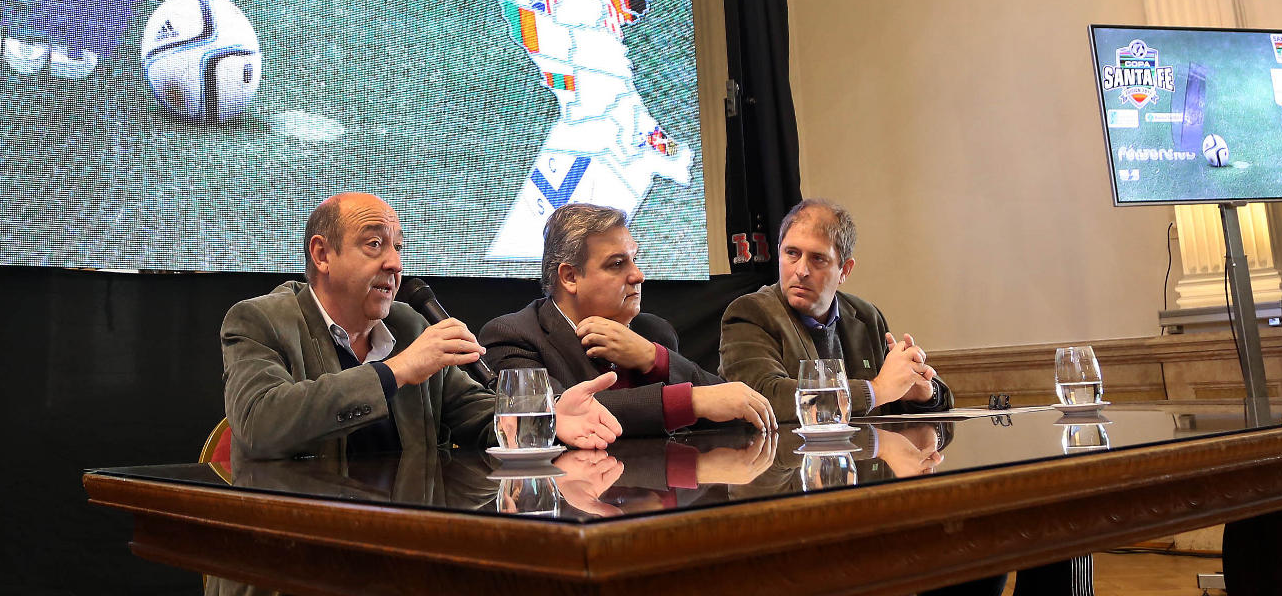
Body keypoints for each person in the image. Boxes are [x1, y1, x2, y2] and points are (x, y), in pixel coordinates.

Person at [220, 192, 623, 463]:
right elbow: (260, 425)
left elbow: (476, 414)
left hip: (405, 534)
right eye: (374, 244)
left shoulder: (408, 324)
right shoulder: (261, 320)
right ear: (322, 254)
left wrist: (547, 419)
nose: (394, 263)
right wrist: (396, 370)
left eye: (398, 247)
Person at [481, 202, 774, 435]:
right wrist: (689, 400)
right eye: (617, 264)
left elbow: (728, 408)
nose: (638, 275)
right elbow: (553, 415)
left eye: (635, 259)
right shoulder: (514, 335)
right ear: (570, 277)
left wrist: (653, 358)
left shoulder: (653, 332)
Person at [720, 197, 949, 424]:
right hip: (783, 449)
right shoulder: (750, 313)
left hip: (864, 447)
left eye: (818, 259)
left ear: (845, 270)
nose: (801, 271)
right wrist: (876, 391)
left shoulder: (866, 316)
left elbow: (895, 397)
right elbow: (766, 397)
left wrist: (920, 394)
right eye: (792, 253)